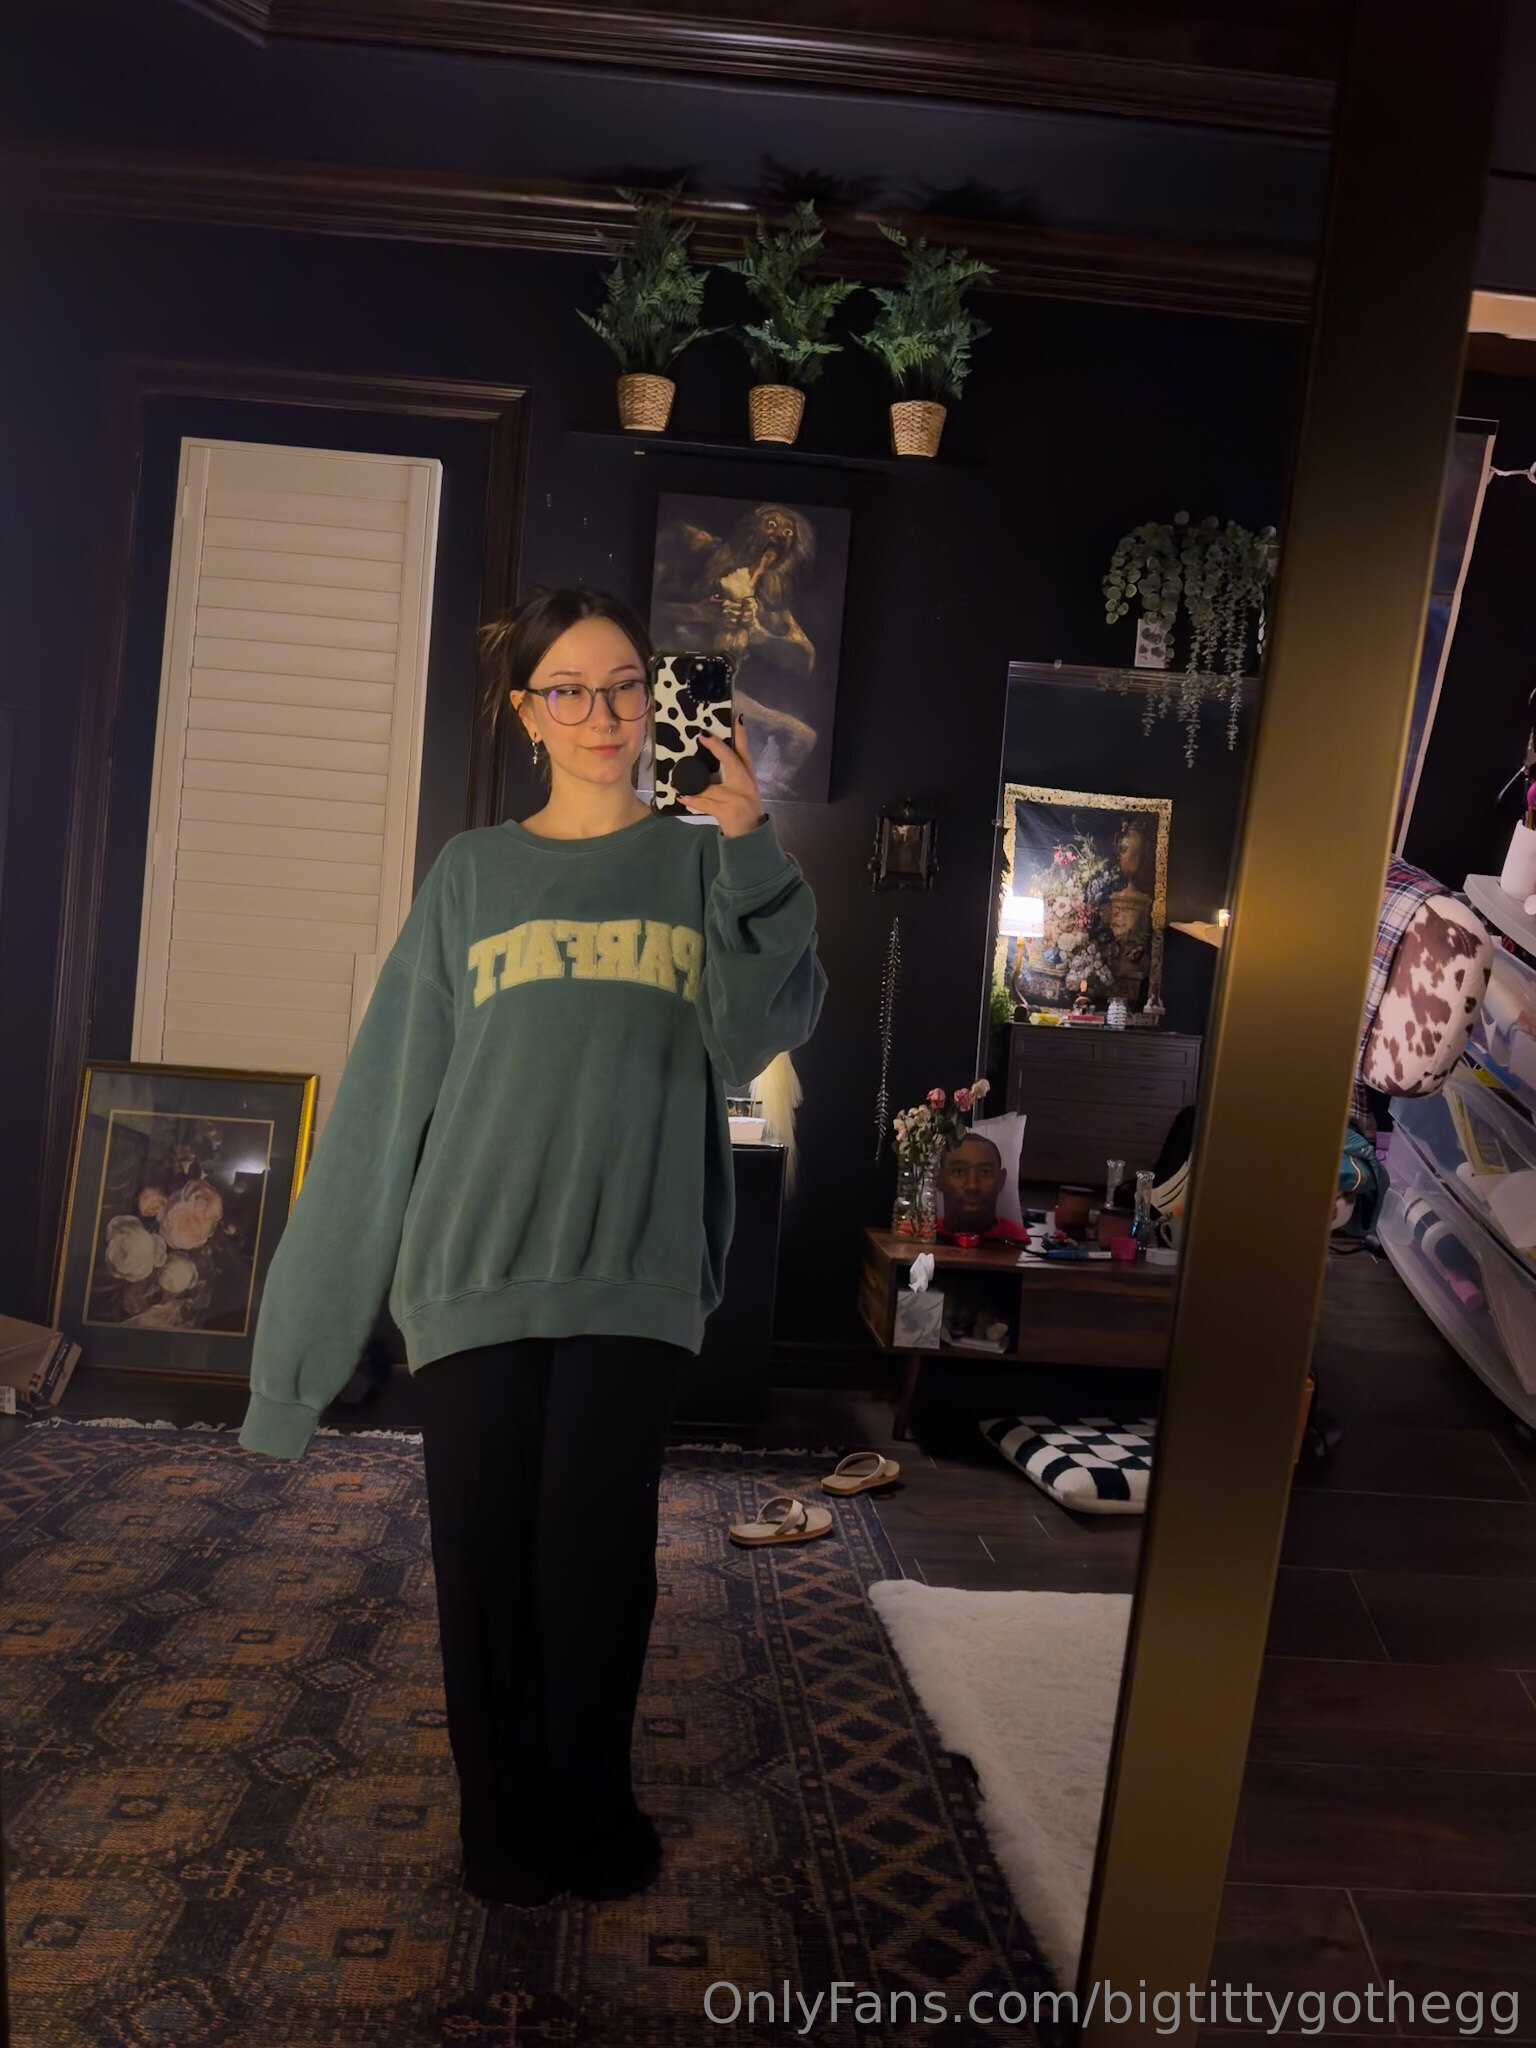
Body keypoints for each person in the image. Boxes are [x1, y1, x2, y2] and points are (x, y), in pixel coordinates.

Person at [236, 586, 827, 1911]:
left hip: (633, 1270)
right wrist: (297, 1364)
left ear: (654, 696)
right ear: (527, 713)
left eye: (622, 684)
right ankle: (499, 1819)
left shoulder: (704, 864)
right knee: (486, 1562)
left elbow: (760, 1028)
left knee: (596, 1563)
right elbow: (386, 1102)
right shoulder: (471, 875)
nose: (601, 712)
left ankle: (590, 1803)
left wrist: (750, 845)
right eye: (569, 688)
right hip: (472, 1269)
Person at [938, 1134, 1028, 1243]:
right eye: (959, 1172)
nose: (972, 1186)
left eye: (985, 1172)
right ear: (939, 1179)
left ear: (1001, 1180)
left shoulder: (1016, 1240)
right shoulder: (921, 1233)